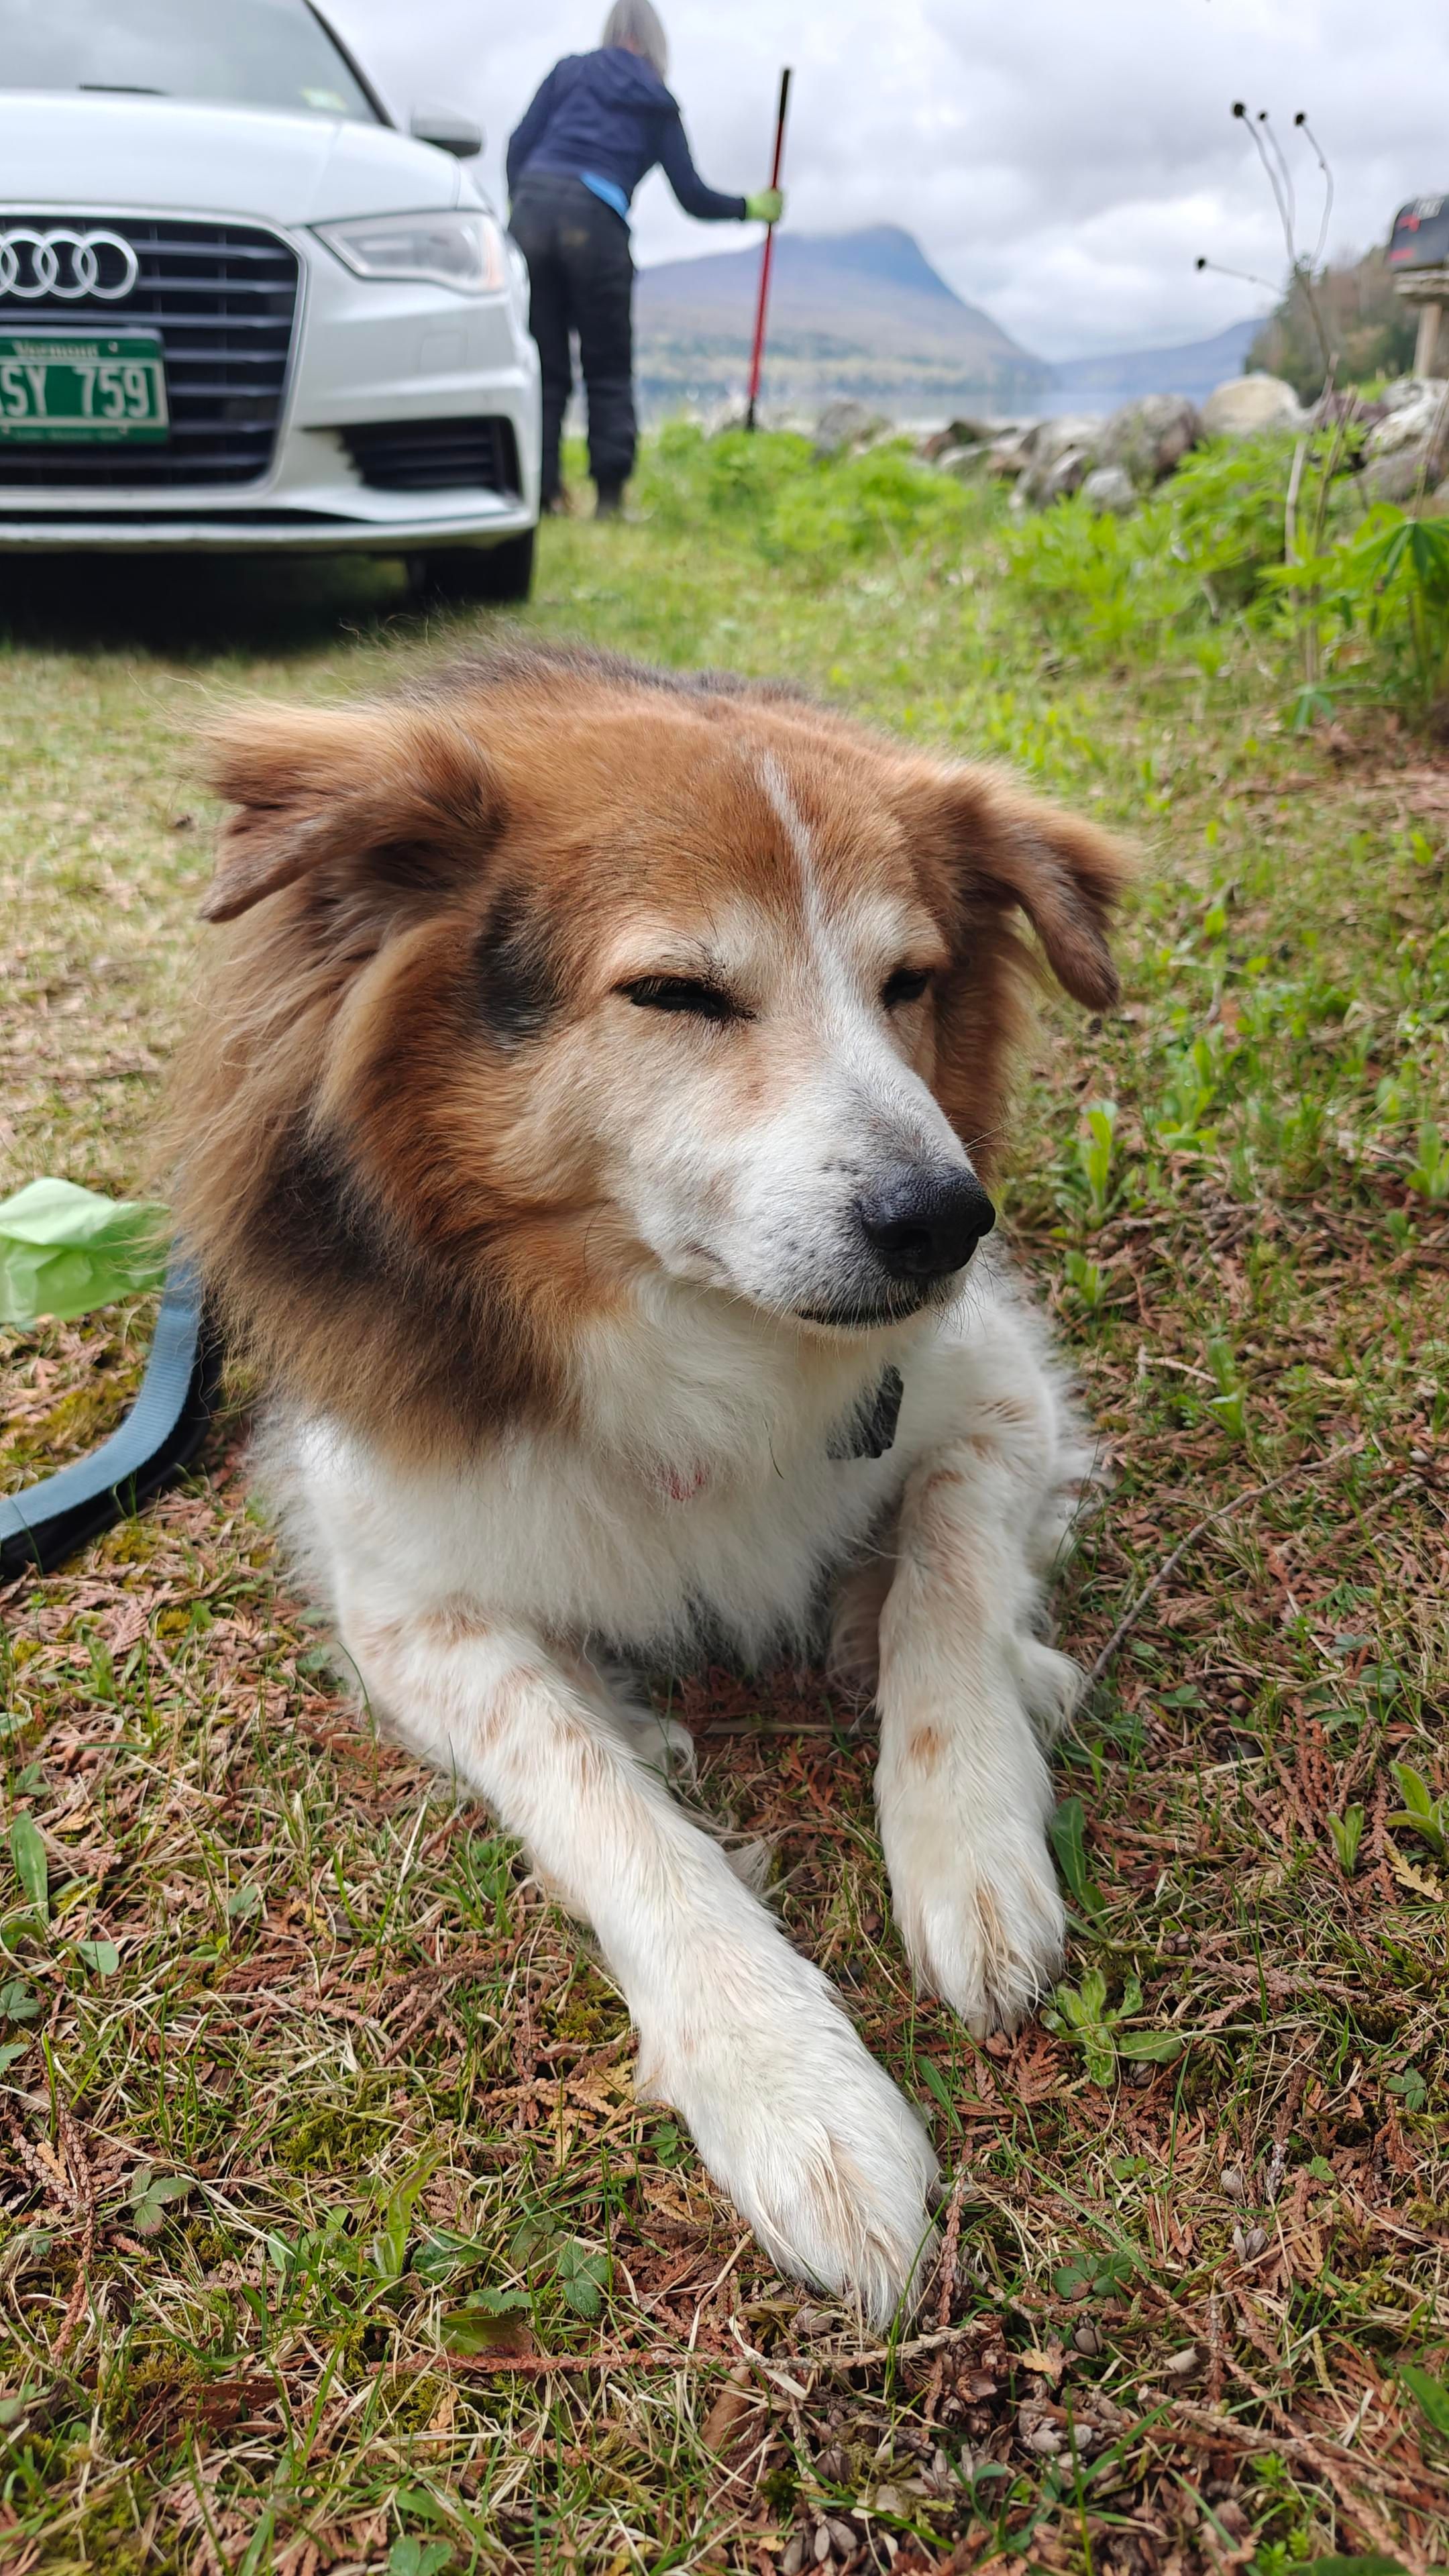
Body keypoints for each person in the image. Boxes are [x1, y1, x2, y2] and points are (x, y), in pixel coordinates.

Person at [506, 1, 784, 518]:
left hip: (531, 213)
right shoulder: (656, 101)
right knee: (607, 366)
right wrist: (751, 207)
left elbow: (518, 145)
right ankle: (609, 501)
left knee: (544, 366)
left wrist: (519, 209)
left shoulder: (569, 72)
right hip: (597, 222)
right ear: (657, 44)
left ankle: (542, 495)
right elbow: (692, 195)